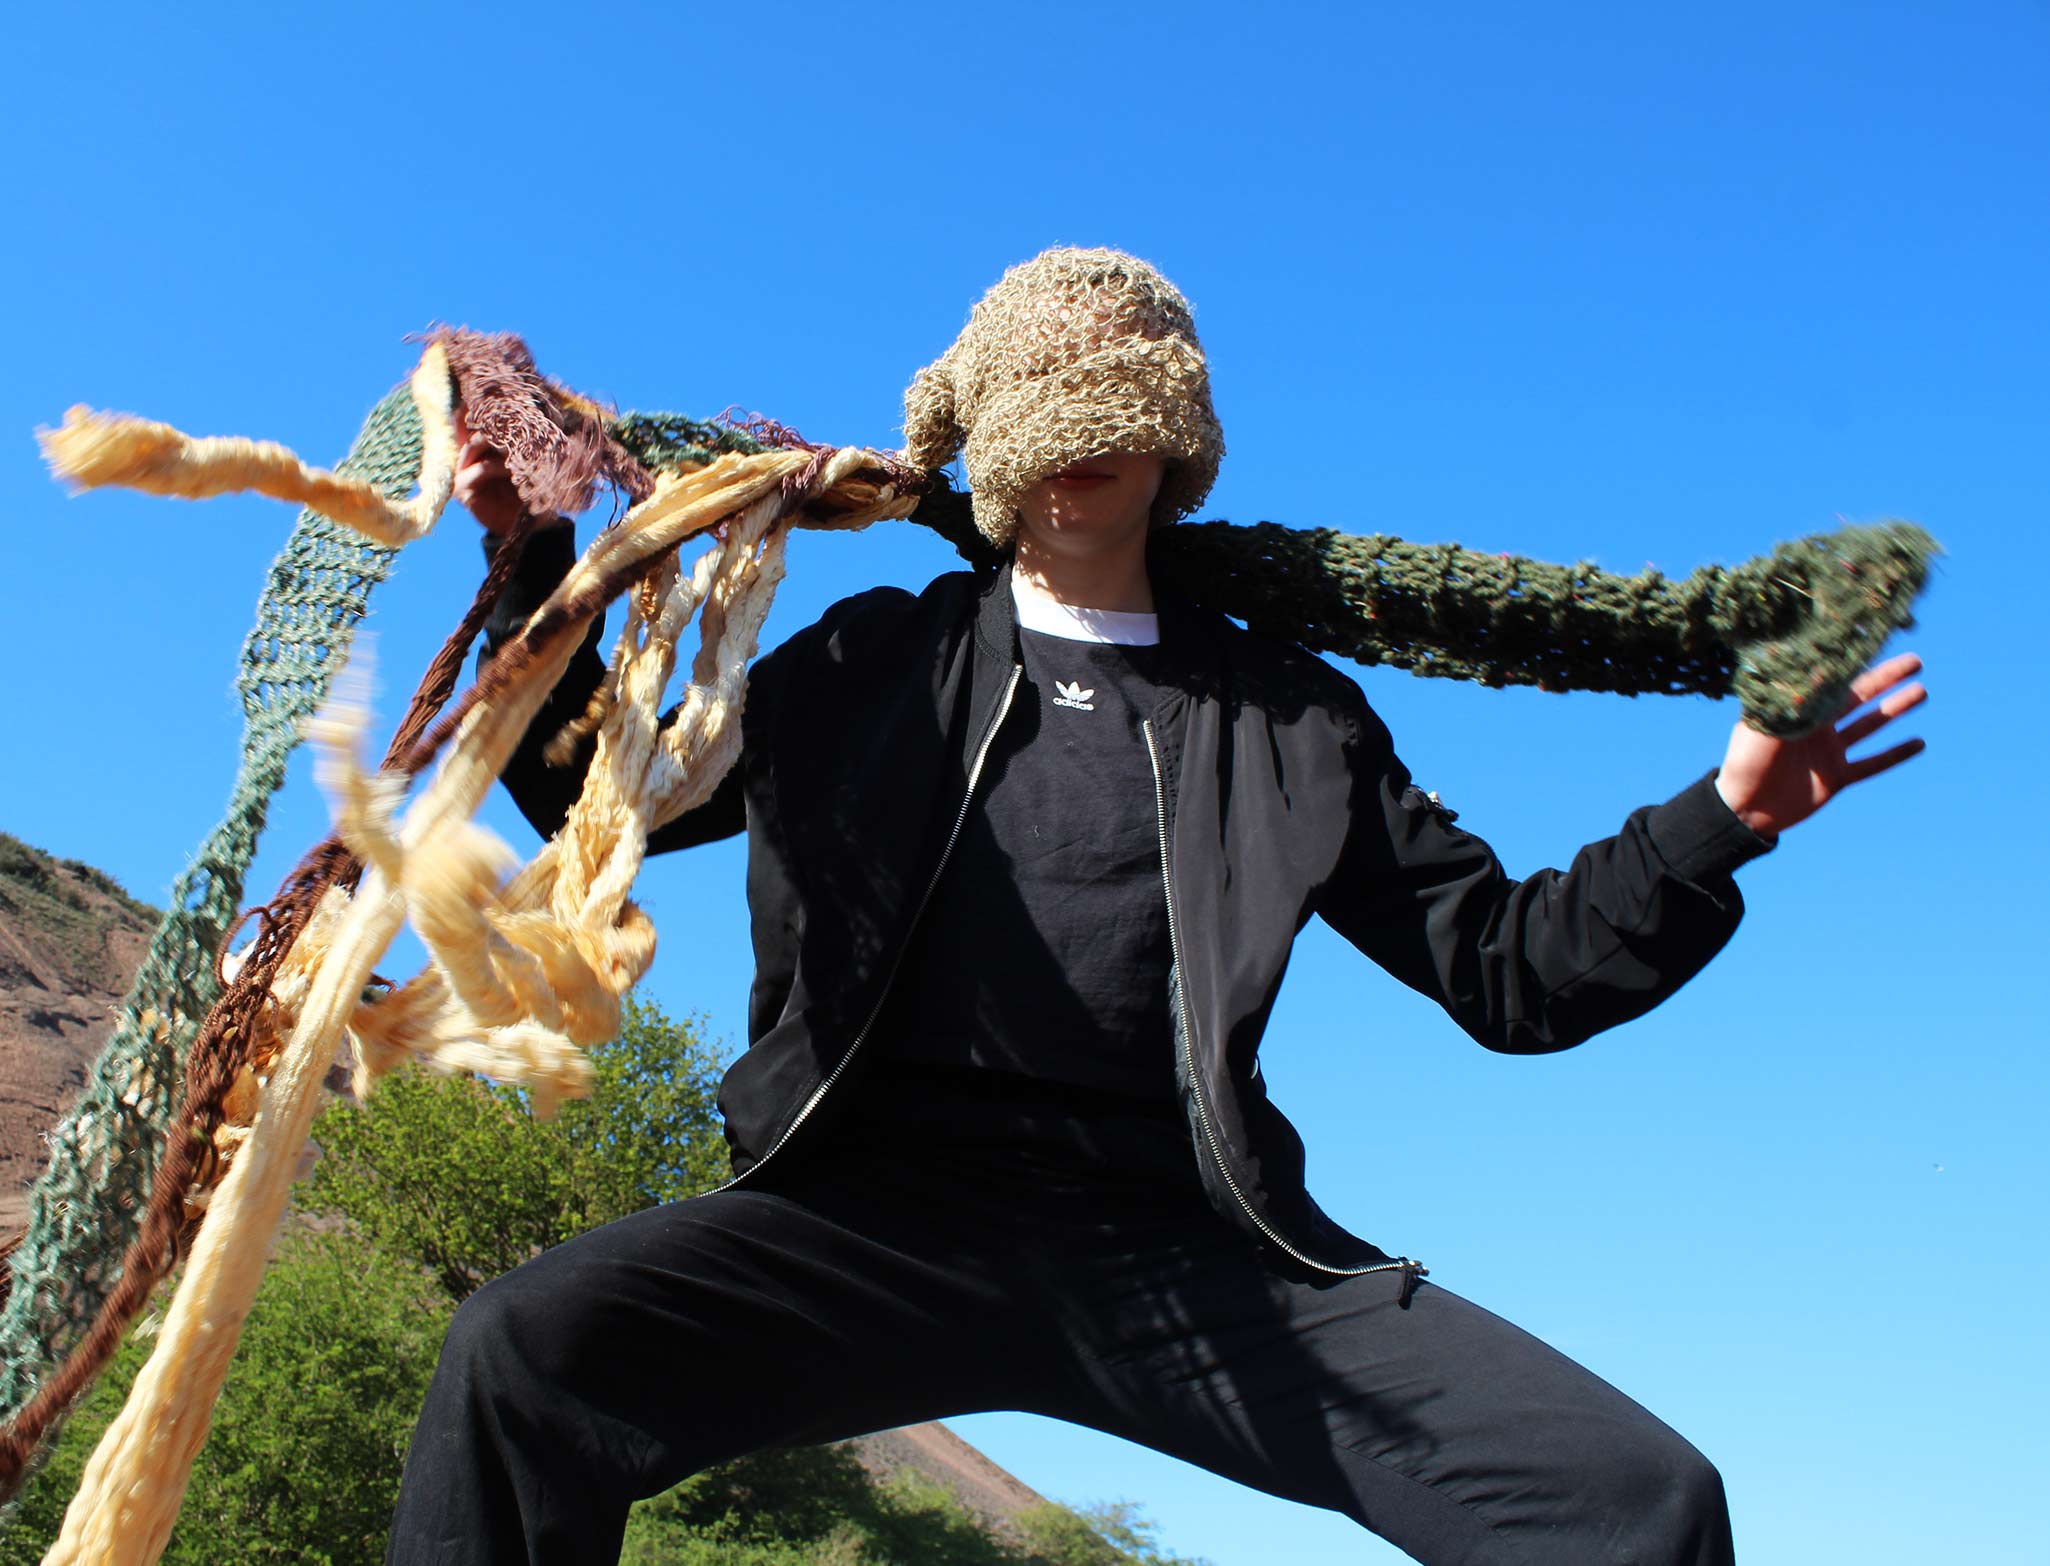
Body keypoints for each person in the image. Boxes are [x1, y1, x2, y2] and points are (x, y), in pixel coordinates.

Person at [386, 249, 1926, 1566]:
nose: (1082, 446)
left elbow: (1510, 970)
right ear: (987, 441)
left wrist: (1717, 820)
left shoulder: (1284, 716)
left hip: (1183, 1248)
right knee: (518, 1360)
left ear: (1173, 434)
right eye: (1044, 409)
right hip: (859, 1218)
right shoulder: (873, 663)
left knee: (1635, 1501)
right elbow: (619, 796)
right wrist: (523, 558)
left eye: (1117, 400)